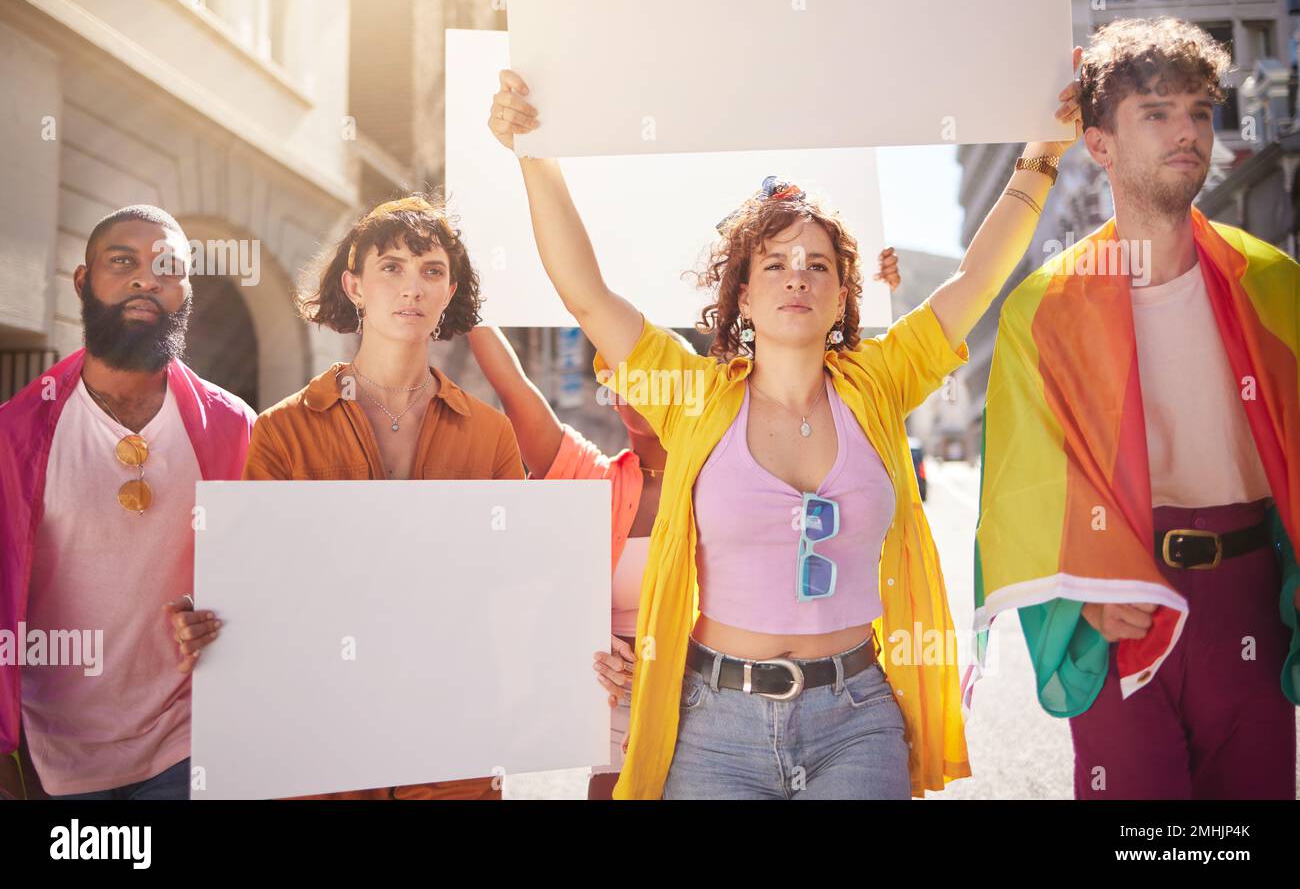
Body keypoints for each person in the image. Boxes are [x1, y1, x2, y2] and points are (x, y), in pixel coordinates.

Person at [487, 54, 1082, 798]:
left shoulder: (882, 380)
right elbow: (585, 295)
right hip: (713, 726)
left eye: (818, 265)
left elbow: (973, 283)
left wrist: (1040, 159)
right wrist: (536, 158)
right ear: (740, 296)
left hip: (858, 718)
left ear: (842, 299)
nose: (797, 275)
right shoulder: (693, 394)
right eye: (774, 264)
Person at [972, 18, 1300, 799]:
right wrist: (1085, 590)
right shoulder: (1044, 308)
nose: (1186, 132)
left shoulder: (1276, 282)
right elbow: (1023, 483)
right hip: (1122, 597)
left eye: (1197, 110)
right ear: (1099, 143)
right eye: (1156, 112)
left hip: (1253, 598)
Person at [173, 194, 524, 800]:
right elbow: (258, 583)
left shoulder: (491, 433)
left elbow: (516, 580)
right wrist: (207, 615)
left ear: (449, 292)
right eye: (391, 267)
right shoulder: (282, 431)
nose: (411, 287)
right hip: (320, 733)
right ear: (354, 285)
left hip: (452, 736)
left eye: (431, 271)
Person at [0, 205, 254, 800]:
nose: (147, 278)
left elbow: (263, 579)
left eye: (168, 266)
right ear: (84, 282)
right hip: (53, 755)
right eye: (124, 262)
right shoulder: (15, 434)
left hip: (188, 746)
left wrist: (225, 613)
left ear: (186, 290)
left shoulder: (234, 426)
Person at [467, 324, 684, 799]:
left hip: (707, 695)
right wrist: (464, 299)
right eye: (627, 376)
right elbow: (513, 385)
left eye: (659, 373)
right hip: (616, 696)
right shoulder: (596, 478)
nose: (639, 387)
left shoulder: (725, 478)